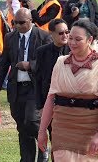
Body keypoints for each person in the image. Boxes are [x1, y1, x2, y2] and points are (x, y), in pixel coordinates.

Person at [38, 19, 98, 161]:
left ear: (90, 39)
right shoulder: (60, 63)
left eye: (78, 39)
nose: (72, 43)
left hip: (92, 131)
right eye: (70, 38)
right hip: (63, 130)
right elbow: (51, 98)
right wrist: (42, 131)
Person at [0, 8, 52, 162]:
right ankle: (26, 158)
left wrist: (30, 65)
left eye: (22, 22)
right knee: (21, 125)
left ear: (31, 21)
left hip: (35, 88)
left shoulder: (43, 37)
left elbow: (48, 64)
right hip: (16, 88)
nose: (18, 26)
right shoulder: (10, 37)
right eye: (15, 22)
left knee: (31, 120)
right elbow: (3, 64)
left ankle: (43, 146)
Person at [35, 18, 70, 161]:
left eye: (67, 32)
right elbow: (37, 80)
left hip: (70, 106)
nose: (65, 36)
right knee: (55, 141)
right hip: (50, 104)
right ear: (52, 35)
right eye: (61, 33)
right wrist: (40, 106)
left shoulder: (74, 50)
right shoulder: (42, 52)